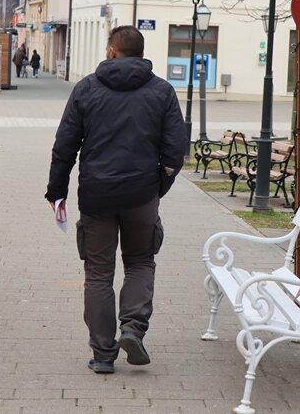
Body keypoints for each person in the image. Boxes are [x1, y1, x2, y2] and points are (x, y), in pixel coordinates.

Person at [45, 25, 188, 375]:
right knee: (140, 261)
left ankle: (103, 353)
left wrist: (57, 190)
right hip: (141, 193)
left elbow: (65, 145)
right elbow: (175, 151)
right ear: (141, 52)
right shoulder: (162, 91)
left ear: (111, 50)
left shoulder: (86, 89)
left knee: (98, 273)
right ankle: (132, 329)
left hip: (96, 195)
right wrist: (158, 187)